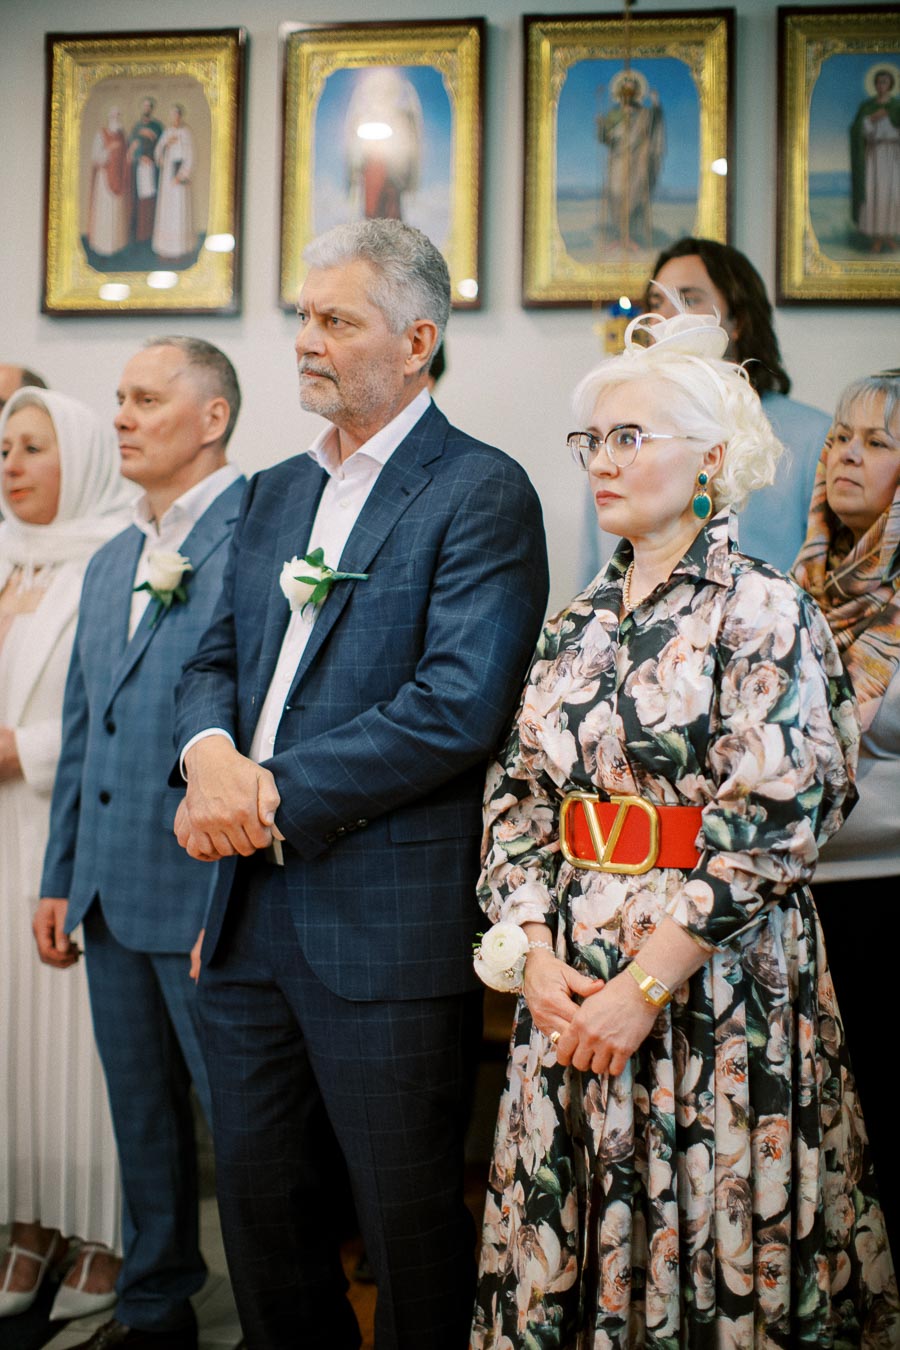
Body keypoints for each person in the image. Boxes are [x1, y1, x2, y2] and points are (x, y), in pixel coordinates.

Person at [470, 309, 898, 1347]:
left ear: (711, 458)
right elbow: (518, 797)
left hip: (710, 986)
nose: (601, 461)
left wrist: (644, 988)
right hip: (570, 985)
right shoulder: (576, 622)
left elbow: (778, 816)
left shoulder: (763, 609)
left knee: (703, 1239)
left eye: (630, 437)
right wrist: (532, 954)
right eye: (592, 440)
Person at [172, 217, 549, 1350]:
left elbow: (457, 706)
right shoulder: (271, 493)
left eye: (336, 320)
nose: (305, 340)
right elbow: (209, 660)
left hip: (383, 921)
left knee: (407, 1222)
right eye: (304, 316)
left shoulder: (480, 490)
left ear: (418, 340)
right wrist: (207, 758)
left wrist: (264, 792)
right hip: (244, 916)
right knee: (262, 1222)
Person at [35, 337, 246, 1350]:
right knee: (141, 1120)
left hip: (204, 891)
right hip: (110, 892)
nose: (121, 416)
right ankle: (155, 1306)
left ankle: (277, 1315)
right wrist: (60, 878)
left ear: (212, 417)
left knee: (244, 1127)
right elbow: (88, 727)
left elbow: (258, 730)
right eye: (119, 398)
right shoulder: (111, 558)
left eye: (147, 399)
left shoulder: (257, 534)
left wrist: (232, 901)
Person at [0, 388, 132, 1320]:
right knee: (11, 1042)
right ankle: (29, 1222)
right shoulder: (5, 559)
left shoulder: (110, 563)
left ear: (80, 459)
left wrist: (24, 750)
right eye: (4, 448)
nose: (10, 464)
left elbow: (115, 711)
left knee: (75, 1044)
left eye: (32, 447)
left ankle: (101, 1234)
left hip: (62, 826)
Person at [793, 371, 900, 1264]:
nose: (847, 457)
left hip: (889, 893)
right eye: (839, 437)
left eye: (877, 442)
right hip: (803, 890)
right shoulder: (799, 583)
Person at [584, 237, 832, 584]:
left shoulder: (813, 436)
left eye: (688, 299)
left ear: (738, 319)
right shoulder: (617, 436)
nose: (664, 317)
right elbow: (595, 569)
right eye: (655, 302)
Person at [596, 69, 664, 252]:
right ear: (619, 93)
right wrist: (601, 127)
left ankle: (630, 238)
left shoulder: (644, 113)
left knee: (634, 197)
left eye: (631, 91)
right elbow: (605, 139)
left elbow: (654, 124)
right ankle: (619, 237)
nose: (628, 94)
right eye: (625, 90)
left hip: (636, 163)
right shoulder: (614, 114)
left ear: (636, 93)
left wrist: (656, 104)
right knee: (615, 194)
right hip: (617, 161)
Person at [851, 67, 900, 254]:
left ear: (891, 85)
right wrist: (872, 118)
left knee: (891, 193)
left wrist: (887, 118)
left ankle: (889, 235)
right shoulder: (867, 107)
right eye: (879, 82)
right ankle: (877, 238)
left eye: (885, 82)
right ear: (875, 85)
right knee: (875, 193)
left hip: (893, 156)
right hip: (874, 156)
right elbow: (856, 130)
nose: (882, 85)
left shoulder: (897, 107)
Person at [152, 105, 194, 261]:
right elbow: (158, 151)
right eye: (173, 115)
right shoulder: (167, 132)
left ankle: (179, 250)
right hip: (167, 178)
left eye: (177, 115)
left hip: (179, 177)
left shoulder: (186, 132)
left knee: (179, 211)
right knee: (167, 211)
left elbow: (191, 155)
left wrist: (181, 175)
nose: (175, 118)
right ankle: (165, 249)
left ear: (180, 116)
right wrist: (166, 145)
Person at [87, 108, 129, 258]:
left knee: (117, 212)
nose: (116, 117)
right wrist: (109, 150)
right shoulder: (101, 134)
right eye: (113, 115)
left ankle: (117, 245)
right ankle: (103, 246)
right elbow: (96, 158)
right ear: (109, 116)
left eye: (118, 115)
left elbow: (125, 156)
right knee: (105, 212)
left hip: (118, 177)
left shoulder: (122, 135)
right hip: (104, 179)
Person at [126, 97, 164, 246]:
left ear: (152, 109)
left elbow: (161, 147)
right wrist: (140, 157)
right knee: (140, 201)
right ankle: (140, 234)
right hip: (140, 169)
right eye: (145, 106)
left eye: (149, 106)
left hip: (153, 169)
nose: (147, 109)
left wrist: (152, 159)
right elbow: (131, 149)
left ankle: (152, 234)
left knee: (152, 200)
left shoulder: (157, 127)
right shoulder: (136, 128)